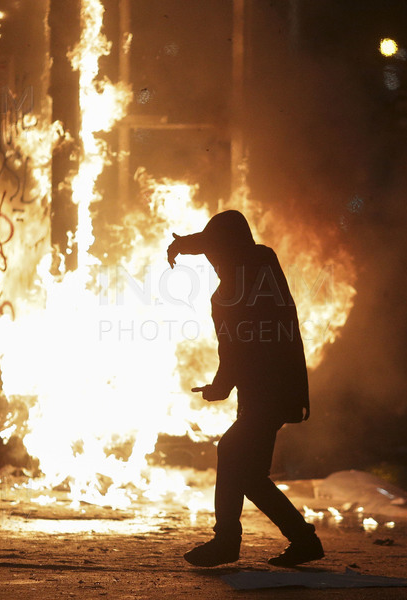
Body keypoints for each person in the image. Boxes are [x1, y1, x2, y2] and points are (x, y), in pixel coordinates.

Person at [166, 210, 324, 568]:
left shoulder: (230, 292)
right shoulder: (263, 260)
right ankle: (304, 541)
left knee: (230, 450)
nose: (213, 261)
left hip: (267, 393)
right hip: (272, 391)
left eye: (216, 254)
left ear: (229, 250)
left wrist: (219, 387)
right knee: (251, 475)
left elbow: (235, 350)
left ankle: (226, 541)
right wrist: (184, 244)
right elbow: (227, 239)